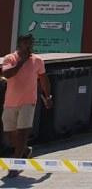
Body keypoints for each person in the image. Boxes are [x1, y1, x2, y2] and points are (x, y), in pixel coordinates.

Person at [3, 34, 52, 178]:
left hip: (29, 102)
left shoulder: (37, 61)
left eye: (30, 43)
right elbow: (7, 74)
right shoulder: (10, 58)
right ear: (19, 44)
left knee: (23, 133)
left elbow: (43, 79)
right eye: (26, 43)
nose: (28, 46)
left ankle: (15, 166)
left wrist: (48, 96)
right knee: (9, 135)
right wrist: (21, 62)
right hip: (10, 103)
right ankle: (24, 151)